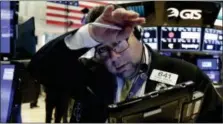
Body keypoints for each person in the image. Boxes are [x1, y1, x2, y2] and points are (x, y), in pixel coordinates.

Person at [27, 4, 222, 123]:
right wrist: (90, 35)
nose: (113, 57)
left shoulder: (187, 75)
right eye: (102, 49)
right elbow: (39, 68)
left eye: (118, 44)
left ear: (135, 33)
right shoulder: (90, 75)